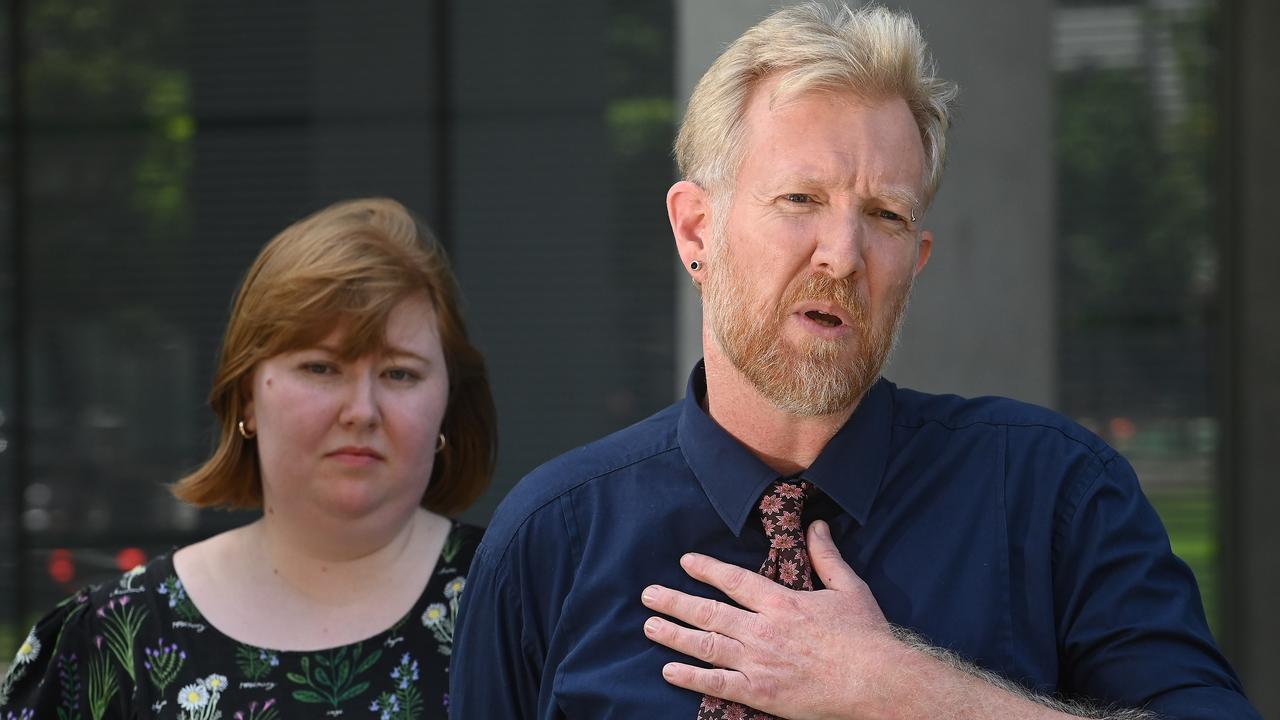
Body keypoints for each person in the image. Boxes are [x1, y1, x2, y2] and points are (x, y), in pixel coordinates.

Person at [450, 3, 1258, 719]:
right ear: (696, 229)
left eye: (885, 214)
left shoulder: (1054, 496)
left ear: (918, 256)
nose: (843, 254)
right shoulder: (551, 540)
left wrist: (912, 693)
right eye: (799, 200)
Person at [0, 197, 496, 719]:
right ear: (246, 400)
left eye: (400, 373)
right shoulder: (113, 642)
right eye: (321, 368)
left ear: (446, 406)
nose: (362, 411)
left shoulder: (526, 606)